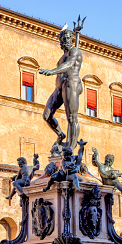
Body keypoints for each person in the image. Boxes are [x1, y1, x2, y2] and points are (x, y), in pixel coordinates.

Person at [39, 20, 84, 151]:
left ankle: (71, 147)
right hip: (59, 88)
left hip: (71, 83)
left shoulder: (75, 51)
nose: (66, 41)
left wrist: (52, 71)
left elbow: (69, 65)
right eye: (64, 38)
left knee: (71, 117)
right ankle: (61, 135)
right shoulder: (63, 56)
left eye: (68, 38)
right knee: (47, 115)